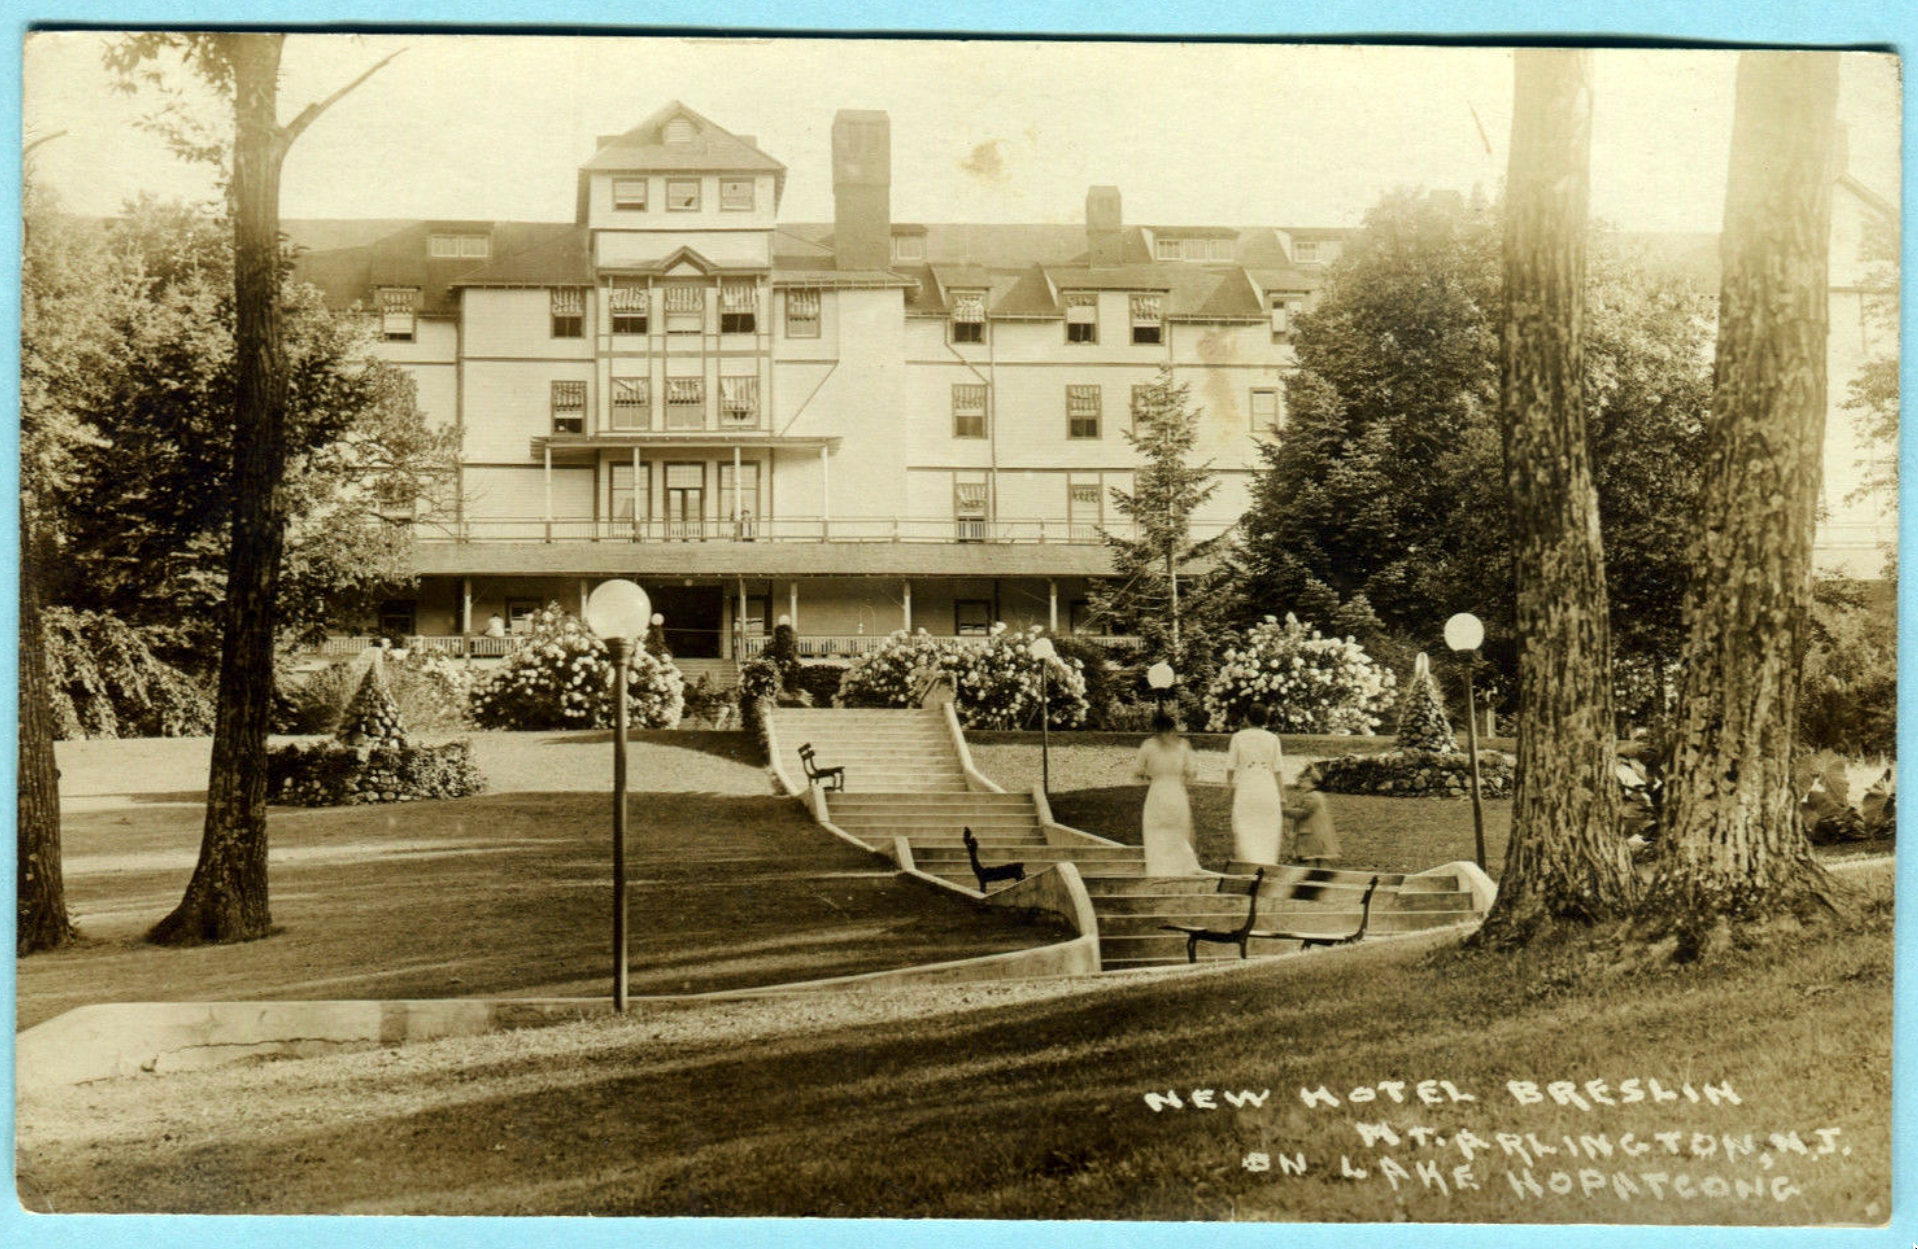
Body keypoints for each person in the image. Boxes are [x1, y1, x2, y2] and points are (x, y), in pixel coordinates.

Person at [1134, 709, 1205, 875]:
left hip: (1157, 791)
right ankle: (1182, 868)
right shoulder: (1182, 746)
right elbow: (1191, 773)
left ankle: (1159, 870)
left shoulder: (1148, 746)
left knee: (1156, 832)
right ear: (1173, 728)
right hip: (1176, 792)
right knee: (1178, 831)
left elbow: (1137, 773)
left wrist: (1150, 776)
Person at [1224, 704, 1284, 865]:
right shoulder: (1273, 738)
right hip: (1267, 785)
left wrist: (1228, 786)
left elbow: (1231, 766)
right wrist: (1282, 795)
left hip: (1247, 785)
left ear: (1247, 718)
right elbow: (1278, 770)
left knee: (1245, 825)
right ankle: (1265, 863)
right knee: (1266, 826)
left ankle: (1248, 862)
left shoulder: (1238, 737)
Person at [1283, 765, 1342, 865]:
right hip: (1316, 832)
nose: (1301, 784)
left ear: (1311, 783)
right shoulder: (1315, 795)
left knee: (1311, 857)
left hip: (1312, 833)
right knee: (1316, 858)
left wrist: (1284, 811)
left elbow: (1303, 812)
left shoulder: (1312, 797)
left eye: (1304, 781)